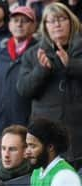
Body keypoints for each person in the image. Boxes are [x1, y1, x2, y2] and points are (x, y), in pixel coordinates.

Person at [16, 3, 82, 166]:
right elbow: (23, 89)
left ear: (71, 22)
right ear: (44, 26)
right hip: (48, 135)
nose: (57, 24)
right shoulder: (33, 54)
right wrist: (41, 70)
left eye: (61, 19)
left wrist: (71, 65)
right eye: (51, 21)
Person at [4, 118, 82, 186]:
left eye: (33, 146)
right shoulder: (37, 172)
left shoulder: (65, 177)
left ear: (50, 147)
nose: (27, 152)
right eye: (27, 145)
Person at [0, 6, 37, 135]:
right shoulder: (1, 54)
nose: (19, 24)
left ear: (34, 26)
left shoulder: (39, 52)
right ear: (9, 25)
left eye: (25, 21)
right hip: (2, 123)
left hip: (29, 124)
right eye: (15, 20)